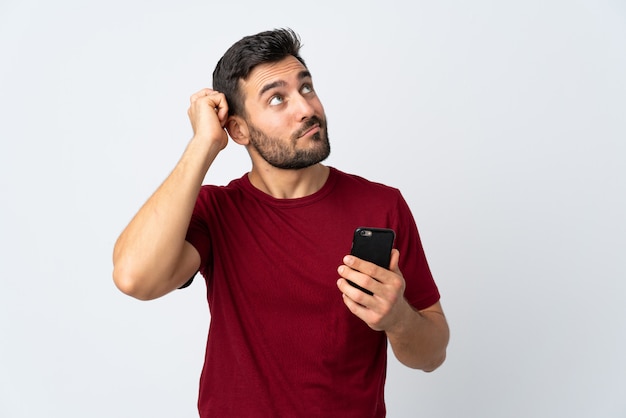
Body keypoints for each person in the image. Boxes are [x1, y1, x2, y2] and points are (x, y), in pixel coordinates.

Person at [113, 28, 449, 417]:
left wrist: (398, 319)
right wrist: (202, 144)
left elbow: (433, 354)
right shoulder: (217, 212)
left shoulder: (382, 205)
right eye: (277, 98)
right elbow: (134, 277)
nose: (306, 108)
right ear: (238, 129)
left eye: (306, 88)